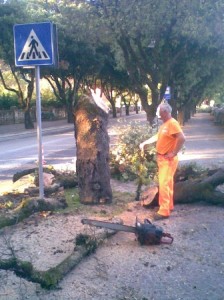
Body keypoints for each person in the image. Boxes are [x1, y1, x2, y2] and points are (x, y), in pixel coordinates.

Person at [139, 102, 186, 220]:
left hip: (167, 159)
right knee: (168, 183)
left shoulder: (172, 123)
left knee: (164, 184)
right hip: (163, 158)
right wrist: (145, 142)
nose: (159, 115)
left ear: (165, 112)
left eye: (160, 112)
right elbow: (158, 136)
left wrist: (174, 152)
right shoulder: (165, 124)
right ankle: (168, 205)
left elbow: (182, 138)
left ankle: (164, 211)